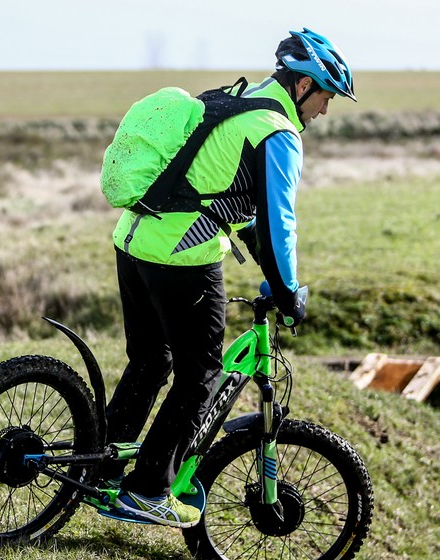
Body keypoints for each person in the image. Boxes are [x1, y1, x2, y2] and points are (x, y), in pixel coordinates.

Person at [100, 28, 356, 527]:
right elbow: (279, 222)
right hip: (182, 256)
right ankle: (147, 490)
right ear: (303, 85)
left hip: (133, 240)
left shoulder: (234, 102)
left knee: (151, 361)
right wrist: (288, 293)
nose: (326, 110)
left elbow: (233, 204)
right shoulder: (277, 133)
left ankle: (103, 466)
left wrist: (268, 270)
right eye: (326, 96)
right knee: (200, 376)